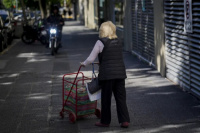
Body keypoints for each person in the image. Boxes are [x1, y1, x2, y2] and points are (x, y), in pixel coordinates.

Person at [81, 21, 130, 128]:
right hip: (120, 74)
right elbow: (113, 57)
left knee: (106, 99)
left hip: (107, 75)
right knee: (121, 98)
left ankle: (105, 121)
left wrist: (84, 64)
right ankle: (125, 121)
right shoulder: (118, 41)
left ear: (102, 30)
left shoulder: (100, 42)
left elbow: (90, 58)